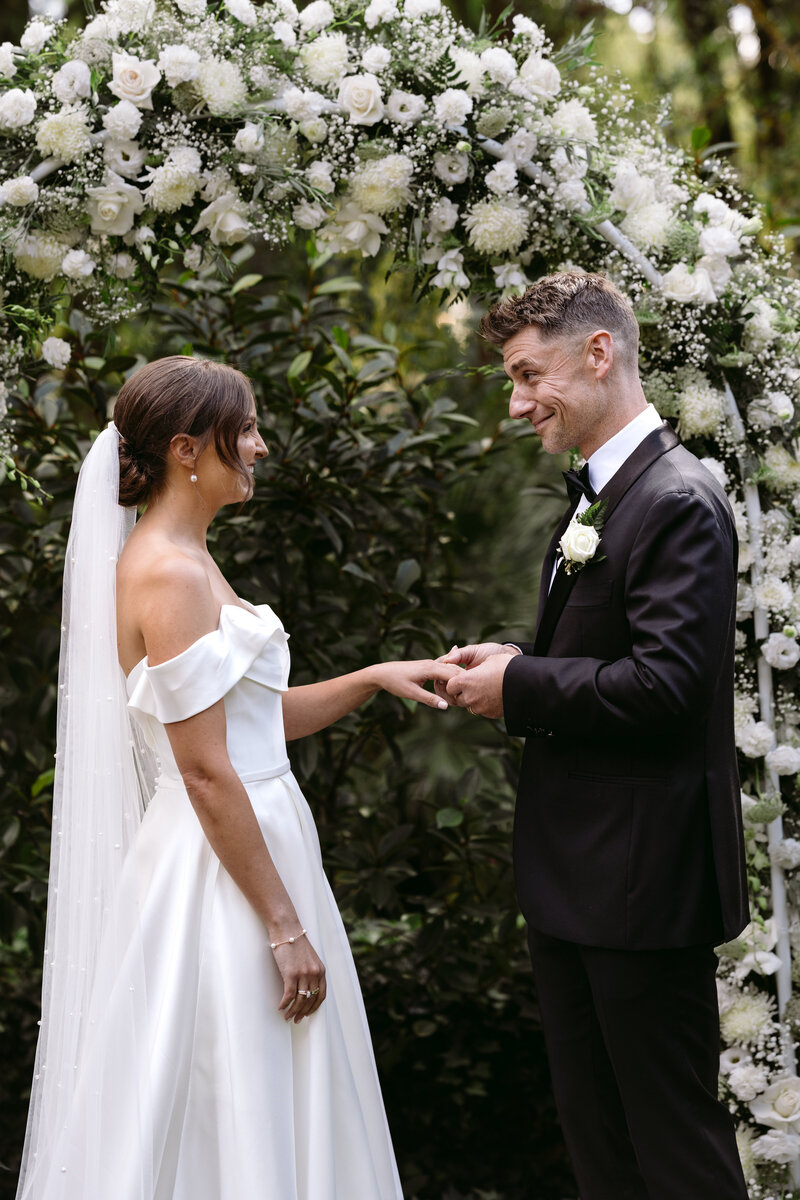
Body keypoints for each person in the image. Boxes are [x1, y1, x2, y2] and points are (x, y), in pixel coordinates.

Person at [17, 355, 460, 1200]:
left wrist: (372, 676)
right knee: (229, 1087)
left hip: (253, 847)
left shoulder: (187, 555)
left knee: (268, 1082)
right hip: (220, 873)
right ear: (187, 448)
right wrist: (285, 926)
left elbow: (256, 722)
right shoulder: (170, 573)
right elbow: (207, 770)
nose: (259, 445)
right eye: (244, 429)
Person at [438, 273, 750, 1199]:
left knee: (674, 1151)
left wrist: (520, 686)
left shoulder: (678, 500)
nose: (518, 400)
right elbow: (608, 651)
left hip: (642, 886)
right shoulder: (601, 495)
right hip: (583, 879)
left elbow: (669, 687)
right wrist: (515, 657)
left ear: (600, 352)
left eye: (530, 374)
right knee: (603, 1149)